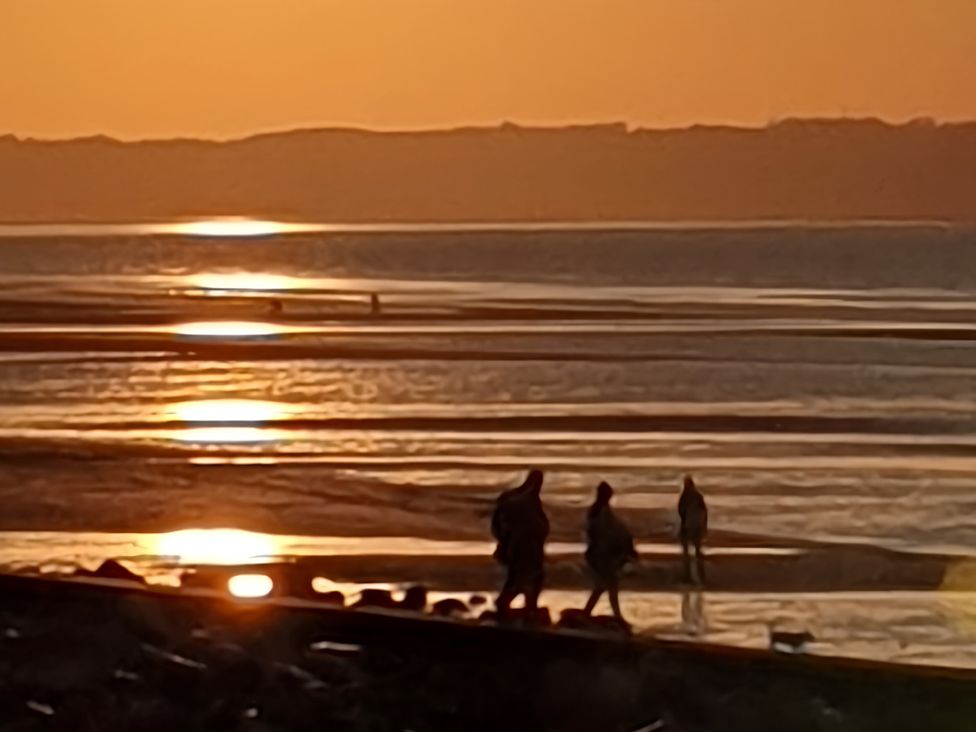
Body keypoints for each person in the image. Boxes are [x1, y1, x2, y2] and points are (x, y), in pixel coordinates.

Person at [491, 469, 549, 617]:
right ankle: (512, 604)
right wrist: (505, 540)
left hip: (528, 547)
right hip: (522, 547)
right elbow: (501, 521)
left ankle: (528, 606)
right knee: (522, 578)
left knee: (526, 578)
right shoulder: (520, 500)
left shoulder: (528, 500)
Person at [582, 481, 638, 625]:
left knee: (605, 586)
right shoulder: (599, 512)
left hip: (602, 554)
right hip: (601, 555)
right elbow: (601, 532)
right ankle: (615, 616)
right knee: (608, 585)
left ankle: (590, 613)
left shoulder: (600, 510)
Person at [678, 474, 708, 584]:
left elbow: (682, 512)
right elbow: (704, 514)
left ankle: (691, 577)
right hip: (694, 527)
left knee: (690, 554)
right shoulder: (697, 496)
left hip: (690, 527)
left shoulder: (687, 497)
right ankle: (698, 577)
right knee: (695, 553)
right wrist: (704, 527)